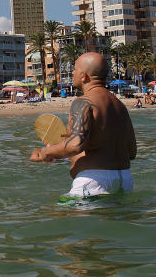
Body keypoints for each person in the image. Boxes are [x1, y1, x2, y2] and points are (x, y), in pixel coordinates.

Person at [29, 52, 137, 197]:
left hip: (93, 182)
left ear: (84, 76)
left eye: (75, 69)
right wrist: (61, 151)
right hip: (125, 180)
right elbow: (131, 151)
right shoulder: (119, 106)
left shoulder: (83, 102)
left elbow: (75, 145)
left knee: (51, 216)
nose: (72, 72)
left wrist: (45, 152)